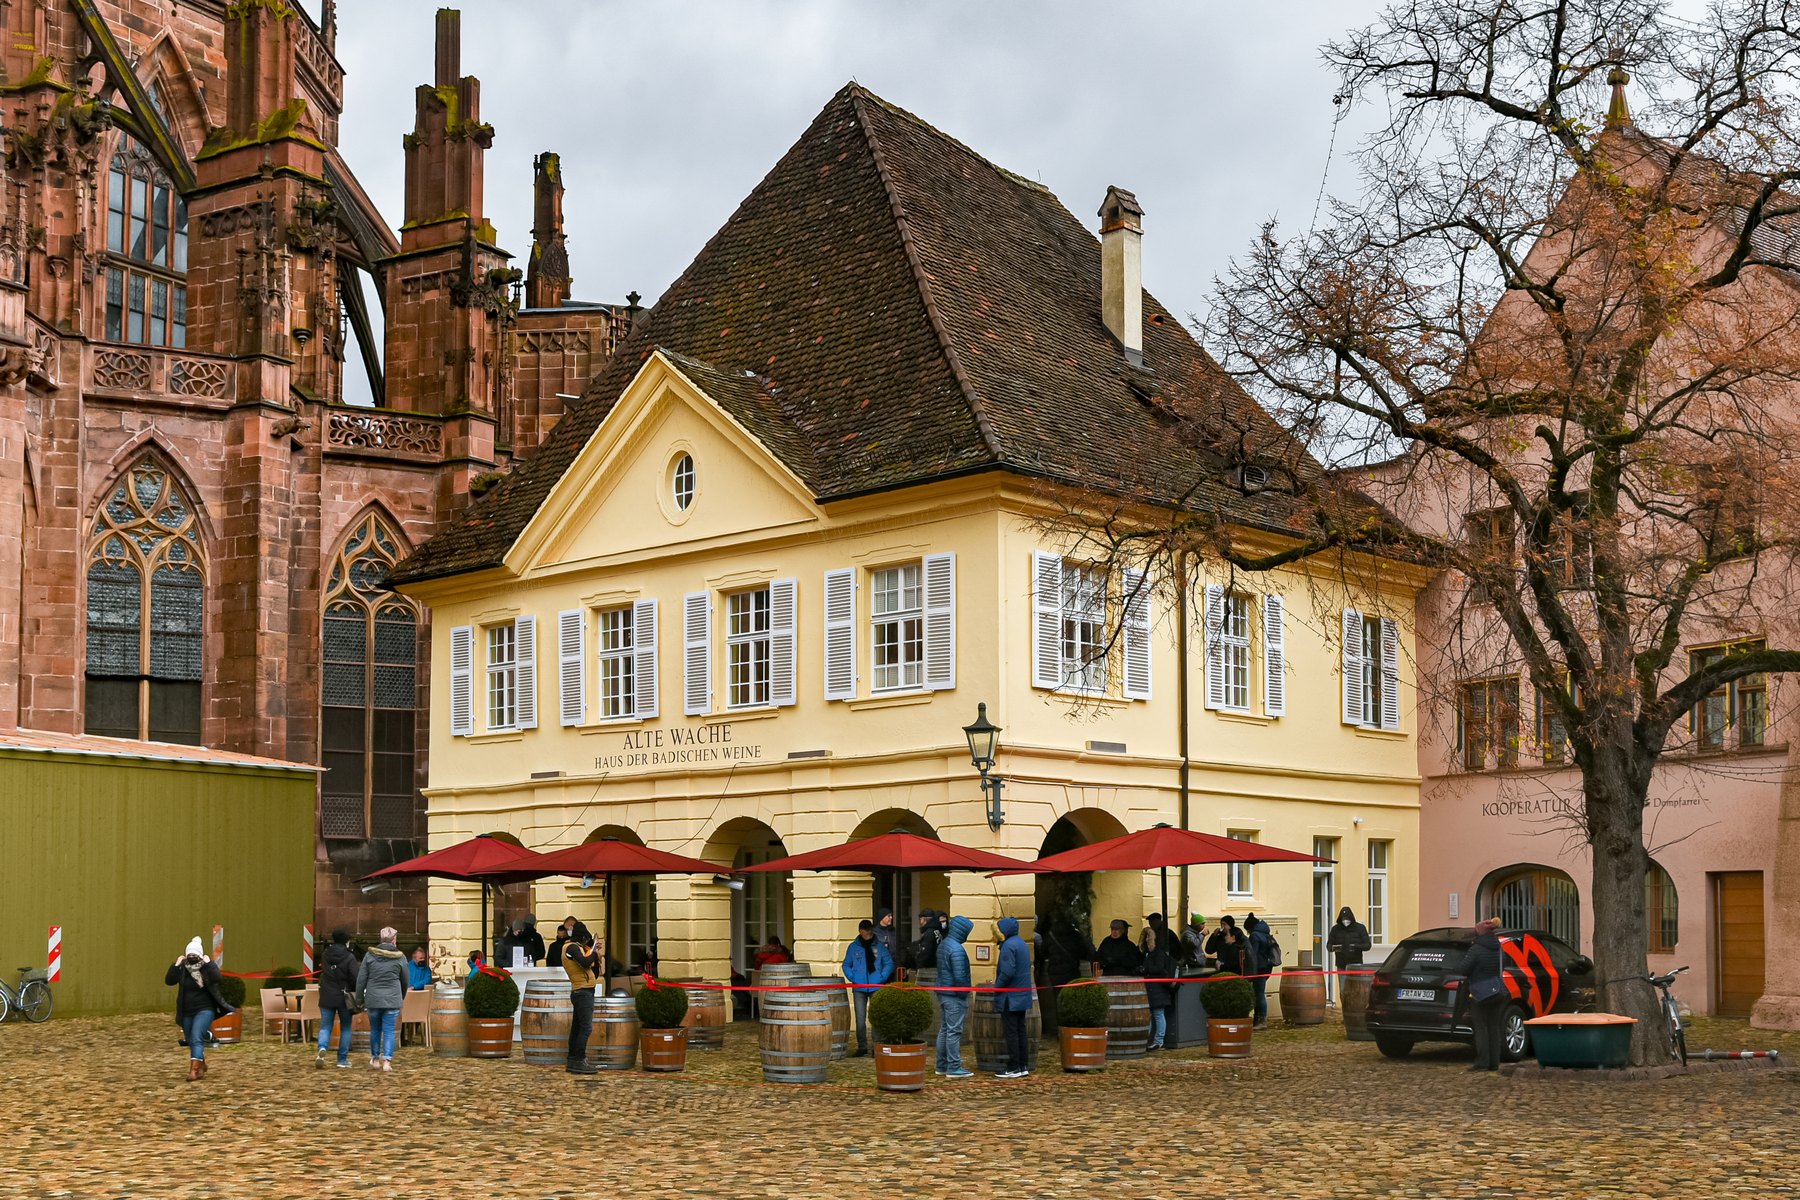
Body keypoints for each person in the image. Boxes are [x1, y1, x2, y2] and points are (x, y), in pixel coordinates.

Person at [165, 937, 229, 1082]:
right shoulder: (182, 968)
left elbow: (217, 978)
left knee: (196, 1037)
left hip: (205, 1009)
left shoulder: (206, 967)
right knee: (191, 1039)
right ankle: (201, 1064)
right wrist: (175, 965)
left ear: (200, 955)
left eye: (195, 955)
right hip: (187, 1010)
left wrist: (209, 963)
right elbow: (169, 981)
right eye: (189, 955)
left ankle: (193, 1070)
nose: (192, 957)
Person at [356, 926, 409, 1072]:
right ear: (394, 940)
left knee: (375, 1030)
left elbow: (361, 980)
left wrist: (359, 999)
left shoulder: (370, 956)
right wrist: (401, 996)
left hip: (373, 999)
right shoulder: (400, 957)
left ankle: (375, 1059)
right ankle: (387, 1061)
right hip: (392, 999)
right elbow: (405, 980)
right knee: (389, 1030)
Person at [842, 918, 896, 1056]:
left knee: (875, 1018)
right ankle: (862, 1047)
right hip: (859, 987)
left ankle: (876, 1047)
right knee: (860, 1019)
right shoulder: (853, 947)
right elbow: (846, 964)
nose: (869, 932)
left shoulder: (879, 946)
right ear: (860, 931)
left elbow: (889, 963)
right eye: (866, 930)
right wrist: (852, 977)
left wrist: (882, 977)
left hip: (876, 985)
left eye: (870, 930)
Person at [1462, 917, 1507, 1073]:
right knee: (1494, 1027)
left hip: (1480, 993)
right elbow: (1505, 964)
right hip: (1497, 990)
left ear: (1479, 933)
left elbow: (1464, 969)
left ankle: (1482, 1063)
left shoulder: (1476, 949)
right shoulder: (1499, 947)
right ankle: (1494, 1063)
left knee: (1481, 1028)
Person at [991, 916, 1033, 1078]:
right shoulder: (1021, 942)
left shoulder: (1009, 946)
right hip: (1021, 995)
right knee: (1020, 1031)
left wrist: (997, 986)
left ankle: (1014, 1067)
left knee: (1011, 1032)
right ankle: (1023, 1065)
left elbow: (1007, 971)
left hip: (1011, 997)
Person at [935, 914, 975, 1079]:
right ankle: (954, 1067)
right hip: (954, 996)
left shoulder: (944, 944)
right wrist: (964, 993)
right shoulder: (957, 949)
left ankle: (941, 1065)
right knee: (953, 1031)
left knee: (944, 1030)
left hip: (944, 993)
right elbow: (959, 976)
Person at [560, 922, 602, 1075]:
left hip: (583, 992)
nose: (586, 942)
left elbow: (593, 972)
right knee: (585, 1027)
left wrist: (595, 955)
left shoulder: (577, 948)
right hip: (582, 992)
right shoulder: (570, 948)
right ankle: (579, 1060)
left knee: (577, 1028)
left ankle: (573, 1060)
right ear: (582, 937)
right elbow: (584, 962)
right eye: (586, 939)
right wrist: (592, 950)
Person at [315, 929, 358, 1069]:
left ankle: (322, 1048)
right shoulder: (350, 957)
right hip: (343, 997)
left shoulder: (325, 955)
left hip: (327, 995)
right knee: (346, 1027)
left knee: (325, 1026)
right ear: (346, 941)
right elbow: (354, 977)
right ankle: (342, 1059)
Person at [1141, 926, 1176, 1050]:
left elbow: (1159, 968)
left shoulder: (1157, 953)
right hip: (1153, 987)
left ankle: (1158, 1041)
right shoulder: (1148, 953)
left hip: (1158, 987)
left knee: (1158, 1014)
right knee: (1152, 1014)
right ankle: (1150, 1040)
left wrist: (1146, 969)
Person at [1244, 913, 1276, 1028]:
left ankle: (1261, 1020)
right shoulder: (1265, 933)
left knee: (1259, 994)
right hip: (1266, 967)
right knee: (1259, 993)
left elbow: (1253, 954)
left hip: (1259, 968)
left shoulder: (1255, 936)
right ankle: (1259, 1019)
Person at [1328, 906, 1373, 975]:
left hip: (1356, 964)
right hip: (1341, 964)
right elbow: (1329, 946)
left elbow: (1367, 945)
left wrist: (1356, 946)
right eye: (1343, 919)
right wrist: (1335, 948)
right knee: (1343, 985)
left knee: (1356, 985)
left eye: (1347, 918)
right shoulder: (1335, 929)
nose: (1345, 921)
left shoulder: (1360, 928)